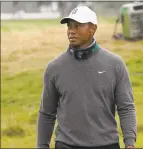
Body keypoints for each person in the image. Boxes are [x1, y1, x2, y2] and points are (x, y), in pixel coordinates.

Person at [37, 5, 137, 149]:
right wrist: (41, 146)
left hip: (107, 145)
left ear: (93, 29)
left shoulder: (115, 64)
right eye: (69, 26)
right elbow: (47, 113)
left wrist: (130, 143)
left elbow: (126, 107)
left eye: (77, 26)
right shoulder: (54, 68)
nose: (71, 31)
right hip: (66, 145)